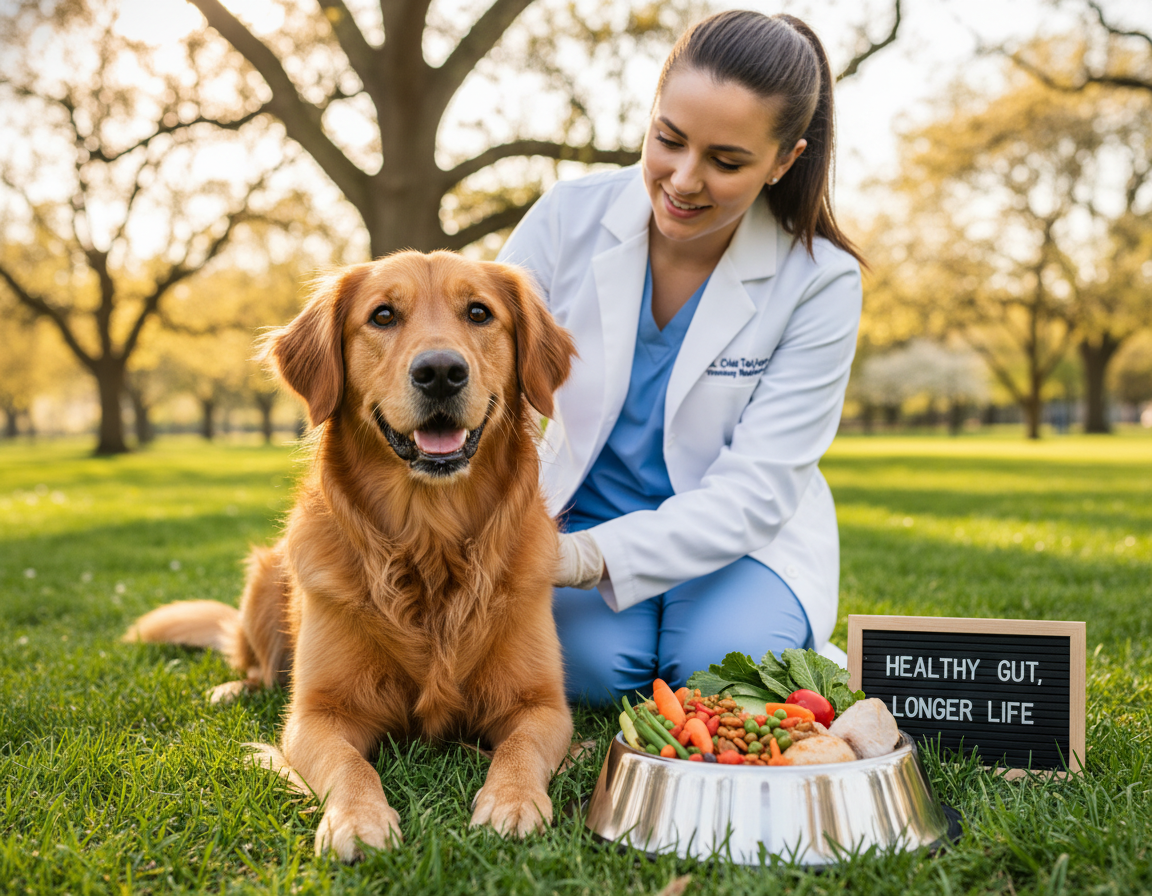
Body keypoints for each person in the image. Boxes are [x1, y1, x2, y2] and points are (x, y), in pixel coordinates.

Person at [497, 10, 863, 705]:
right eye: (668, 140)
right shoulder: (565, 218)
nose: (684, 180)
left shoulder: (820, 279)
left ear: (784, 161)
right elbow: (489, 381)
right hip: (582, 511)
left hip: (739, 542)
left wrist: (585, 561)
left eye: (727, 162)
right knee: (590, 677)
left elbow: (757, 491)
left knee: (721, 673)